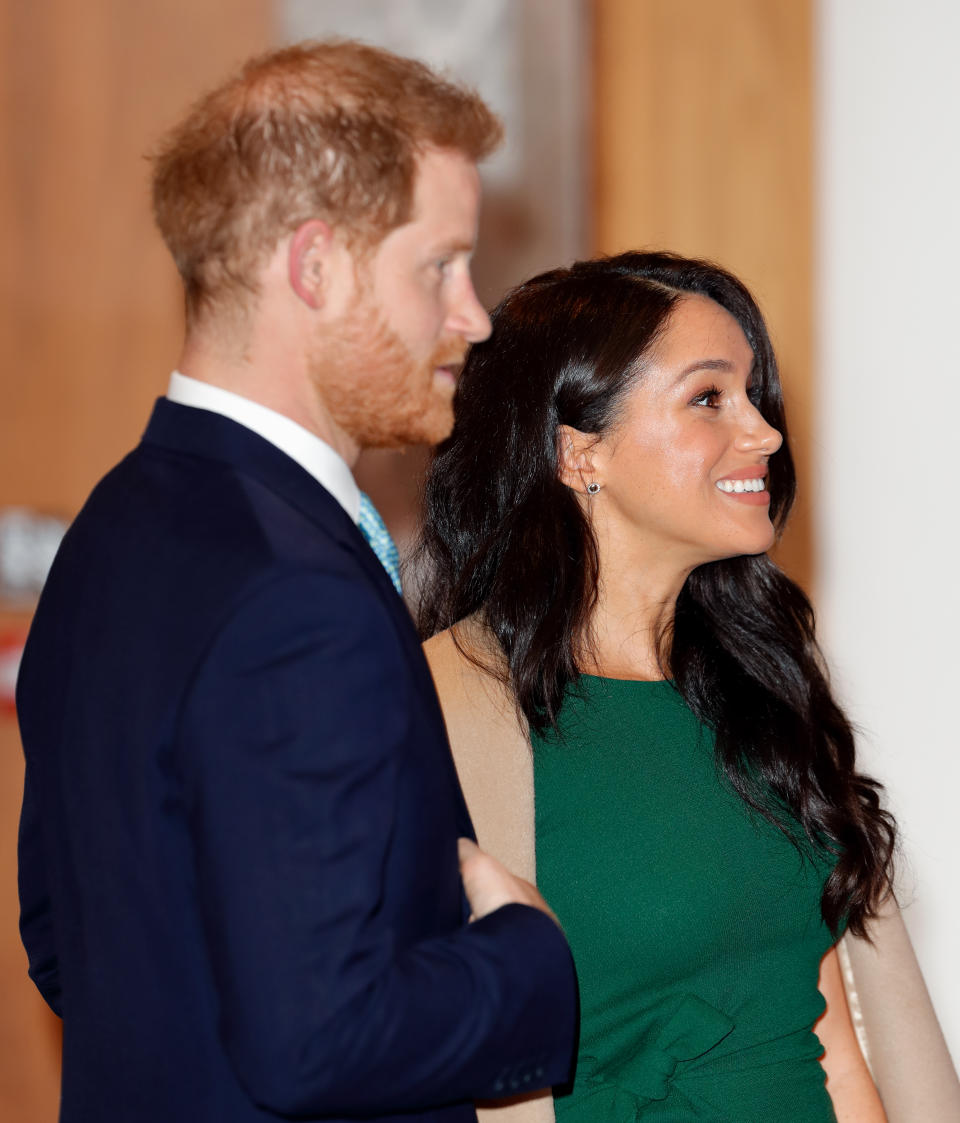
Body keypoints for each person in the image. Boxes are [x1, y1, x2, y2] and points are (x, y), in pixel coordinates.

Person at [16, 40, 578, 1123]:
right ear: (315, 266)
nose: (476, 315)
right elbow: (319, 1040)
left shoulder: (114, 525)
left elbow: (65, 937)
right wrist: (529, 959)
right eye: (439, 268)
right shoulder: (295, 595)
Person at [417, 251, 939, 1121]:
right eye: (709, 398)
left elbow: (830, 1049)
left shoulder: (761, 684)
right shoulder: (451, 711)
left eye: (752, 394)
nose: (764, 432)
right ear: (580, 452)